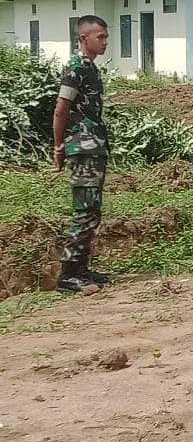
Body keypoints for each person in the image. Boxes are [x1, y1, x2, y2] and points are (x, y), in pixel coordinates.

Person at [53, 15, 111, 292]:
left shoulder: (90, 68)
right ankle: (68, 275)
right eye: (99, 36)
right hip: (83, 147)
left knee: (92, 211)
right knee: (84, 212)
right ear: (83, 38)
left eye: (105, 36)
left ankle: (81, 269)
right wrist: (58, 145)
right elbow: (61, 108)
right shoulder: (76, 67)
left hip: (93, 146)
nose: (105, 41)